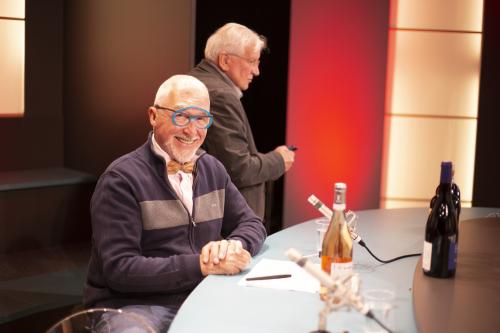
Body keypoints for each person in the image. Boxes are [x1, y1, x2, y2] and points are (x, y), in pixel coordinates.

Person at [83, 74, 266, 332]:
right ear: (153, 116)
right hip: (134, 304)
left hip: (202, 293)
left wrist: (233, 246)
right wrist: (200, 264)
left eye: (202, 119)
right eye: (181, 116)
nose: (192, 131)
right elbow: (120, 269)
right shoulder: (120, 179)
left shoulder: (212, 168)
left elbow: (251, 223)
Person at [189, 22, 295, 225]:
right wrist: (278, 160)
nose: (257, 71)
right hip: (227, 226)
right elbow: (238, 170)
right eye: (252, 61)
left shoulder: (197, 82)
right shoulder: (220, 95)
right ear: (225, 60)